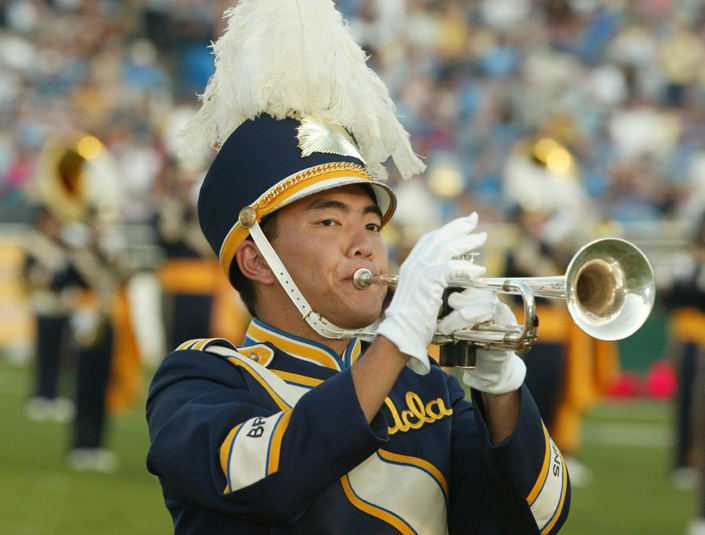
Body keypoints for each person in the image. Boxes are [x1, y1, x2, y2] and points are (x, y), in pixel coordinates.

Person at [146, 1, 571, 533]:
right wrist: (396, 340)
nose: (365, 245)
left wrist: (501, 387)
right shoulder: (201, 378)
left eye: (371, 225)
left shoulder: (428, 386)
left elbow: (534, 519)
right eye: (328, 223)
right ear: (256, 259)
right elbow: (262, 482)